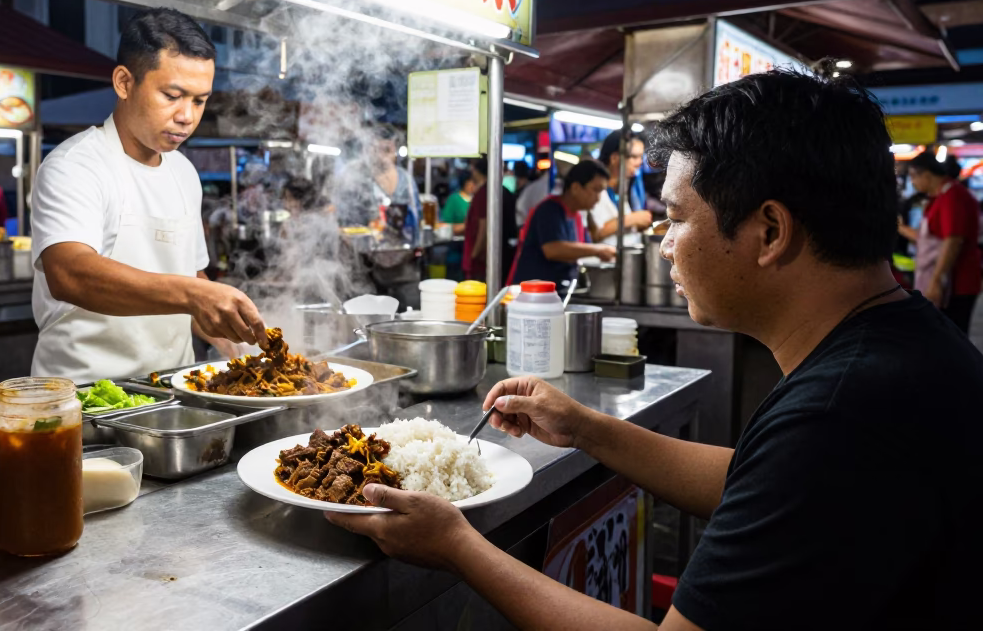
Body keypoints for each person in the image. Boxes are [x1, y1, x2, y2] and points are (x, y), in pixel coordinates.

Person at [328, 69, 983, 630]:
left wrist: (457, 547)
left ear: (771, 229)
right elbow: (758, 482)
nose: (665, 243)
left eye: (676, 217)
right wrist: (588, 429)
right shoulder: (898, 344)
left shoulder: (843, 412)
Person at [30, 7, 266, 384]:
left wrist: (227, 325)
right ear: (124, 82)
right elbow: (69, 273)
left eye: (199, 100)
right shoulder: (76, 164)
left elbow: (190, 273)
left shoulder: (183, 172)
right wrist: (194, 295)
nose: (187, 116)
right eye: (173, 95)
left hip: (174, 391)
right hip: (86, 398)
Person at [899, 151, 981, 331]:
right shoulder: (939, 197)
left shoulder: (952, 196)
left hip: (957, 283)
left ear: (926, 174)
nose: (912, 182)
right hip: (945, 280)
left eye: (913, 176)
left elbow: (953, 241)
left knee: (954, 335)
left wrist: (936, 281)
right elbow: (929, 238)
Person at [508, 160, 615, 287]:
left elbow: (580, 250)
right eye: (595, 190)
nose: (598, 198)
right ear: (575, 188)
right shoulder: (549, 210)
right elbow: (553, 249)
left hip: (557, 292)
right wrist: (598, 250)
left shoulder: (577, 217)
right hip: (533, 295)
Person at [589, 130, 653, 245]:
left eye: (640, 157)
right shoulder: (591, 189)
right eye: (634, 157)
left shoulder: (621, 188)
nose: (639, 162)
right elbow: (593, 234)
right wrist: (632, 219)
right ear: (614, 158)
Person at [462, 158, 517, 282]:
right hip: (500, 256)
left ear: (477, 171)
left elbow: (484, 226)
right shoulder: (503, 191)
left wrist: (475, 255)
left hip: (483, 261)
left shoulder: (485, 193)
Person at [439, 170, 475, 234]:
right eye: (469, 184)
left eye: (474, 183)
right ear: (464, 184)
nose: (472, 187)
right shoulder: (453, 199)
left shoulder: (478, 199)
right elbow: (445, 224)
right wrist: (465, 226)